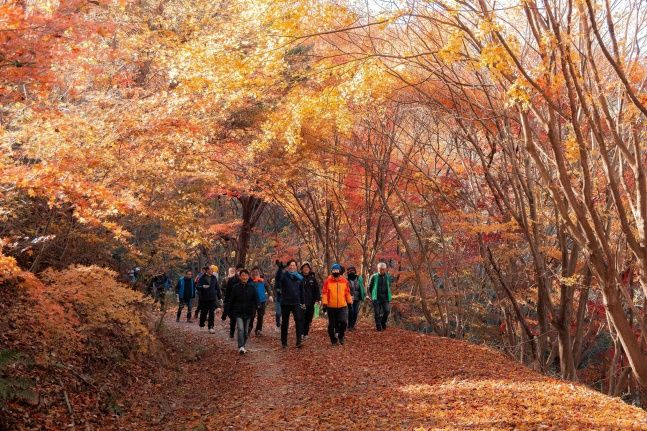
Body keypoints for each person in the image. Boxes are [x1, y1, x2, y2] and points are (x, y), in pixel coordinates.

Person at [275, 259, 305, 348]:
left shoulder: (300, 277)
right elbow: (277, 279)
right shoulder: (284, 276)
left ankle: (299, 341)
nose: (292, 267)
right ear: (288, 267)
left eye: (294, 265)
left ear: (296, 267)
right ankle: (284, 342)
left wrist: (303, 302)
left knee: (298, 321)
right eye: (290, 265)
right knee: (285, 323)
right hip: (286, 302)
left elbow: (301, 291)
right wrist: (280, 269)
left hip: (296, 302)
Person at [227, 269, 258, 354]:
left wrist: (256, 308)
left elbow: (256, 299)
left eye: (246, 275)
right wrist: (229, 311)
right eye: (242, 275)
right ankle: (241, 346)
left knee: (245, 330)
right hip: (238, 311)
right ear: (240, 277)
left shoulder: (252, 287)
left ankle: (243, 345)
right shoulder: (235, 287)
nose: (244, 277)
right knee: (240, 329)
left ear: (248, 277)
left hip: (248, 312)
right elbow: (232, 300)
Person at [321, 263, 352, 345]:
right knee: (332, 325)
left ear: (339, 271)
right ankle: (333, 340)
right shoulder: (328, 281)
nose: (335, 271)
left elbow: (347, 293)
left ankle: (341, 336)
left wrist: (349, 303)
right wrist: (324, 304)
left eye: (337, 270)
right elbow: (324, 293)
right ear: (332, 271)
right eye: (334, 270)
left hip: (342, 306)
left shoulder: (344, 281)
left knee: (344, 322)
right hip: (331, 306)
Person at [196, 265, 221, 333]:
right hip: (204, 298)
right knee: (204, 313)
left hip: (212, 298)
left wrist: (220, 297)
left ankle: (211, 327)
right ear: (207, 270)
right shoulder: (202, 278)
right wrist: (202, 286)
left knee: (211, 313)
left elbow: (217, 287)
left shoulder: (214, 278)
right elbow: (197, 287)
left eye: (212, 270)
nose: (212, 271)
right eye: (210, 269)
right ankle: (201, 324)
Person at [367, 262, 392, 331]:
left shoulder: (388, 277)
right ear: (378, 269)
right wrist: (372, 294)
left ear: (385, 269)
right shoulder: (374, 276)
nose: (382, 270)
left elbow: (389, 285)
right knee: (377, 313)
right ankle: (378, 326)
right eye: (380, 269)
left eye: (383, 269)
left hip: (385, 298)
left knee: (387, 311)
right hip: (376, 298)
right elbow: (370, 286)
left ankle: (383, 323)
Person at [249, 267, 272, 336]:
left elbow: (268, 287)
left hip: (262, 300)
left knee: (260, 316)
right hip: (252, 301)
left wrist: (270, 295)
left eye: (257, 271)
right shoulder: (250, 280)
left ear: (259, 272)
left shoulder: (263, 280)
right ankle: (249, 328)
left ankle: (258, 330)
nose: (255, 273)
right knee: (252, 315)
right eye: (254, 271)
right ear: (252, 272)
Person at [300, 262, 320, 339]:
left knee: (308, 319)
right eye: (304, 267)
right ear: (302, 269)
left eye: (307, 267)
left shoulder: (312, 278)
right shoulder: (299, 277)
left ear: (309, 269)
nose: (306, 269)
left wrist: (318, 299)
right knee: (302, 318)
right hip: (301, 302)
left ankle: (306, 333)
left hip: (311, 302)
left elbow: (316, 290)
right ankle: (301, 333)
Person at [222, 266, 243, 338]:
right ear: (236, 271)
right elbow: (227, 292)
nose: (240, 272)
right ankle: (232, 332)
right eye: (239, 270)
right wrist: (226, 302)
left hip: (242, 302)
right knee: (233, 319)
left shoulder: (245, 280)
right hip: (232, 301)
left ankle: (241, 333)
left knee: (241, 319)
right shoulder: (231, 280)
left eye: (241, 271)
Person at [346, 266, 365, 330]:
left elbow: (362, 287)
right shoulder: (346, 279)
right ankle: (349, 325)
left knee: (355, 312)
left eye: (353, 270)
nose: (352, 272)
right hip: (349, 298)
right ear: (348, 272)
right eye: (350, 271)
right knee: (351, 312)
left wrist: (364, 294)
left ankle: (353, 325)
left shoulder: (359, 278)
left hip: (357, 297)